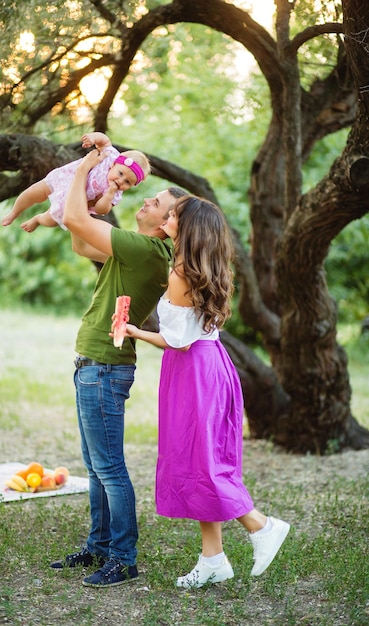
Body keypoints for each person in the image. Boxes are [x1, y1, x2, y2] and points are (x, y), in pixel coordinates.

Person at [124, 195, 290, 589]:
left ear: (189, 228)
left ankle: (261, 526)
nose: (167, 216)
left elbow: (177, 341)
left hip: (194, 372)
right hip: (204, 367)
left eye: (174, 214)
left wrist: (133, 331)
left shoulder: (181, 274)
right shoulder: (197, 268)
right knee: (198, 461)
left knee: (203, 461)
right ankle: (213, 558)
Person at [49, 147, 186, 588]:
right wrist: (95, 195)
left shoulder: (147, 250)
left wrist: (89, 169)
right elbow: (78, 239)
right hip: (95, 364)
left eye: (157, 203)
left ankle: (123, 558)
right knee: (96, 464)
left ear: (168, 224)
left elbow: (71, 220)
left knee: (109, 467)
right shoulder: (133, 250)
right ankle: (98, 547)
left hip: (104, 368)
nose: (146, 201)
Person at [1, 132, 151, 232]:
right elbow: (104, 140)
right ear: (115, 164)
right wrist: (93, 138)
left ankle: (38, 219)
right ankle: (14, 212)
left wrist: (109, 195)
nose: (120, 181)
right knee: (33, 193)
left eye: (127, 183)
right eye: (120, 174)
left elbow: (101, 210)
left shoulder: (115, 194)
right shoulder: (109, 156)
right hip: (65, 178)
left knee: (51, 220)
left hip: (72, 201)